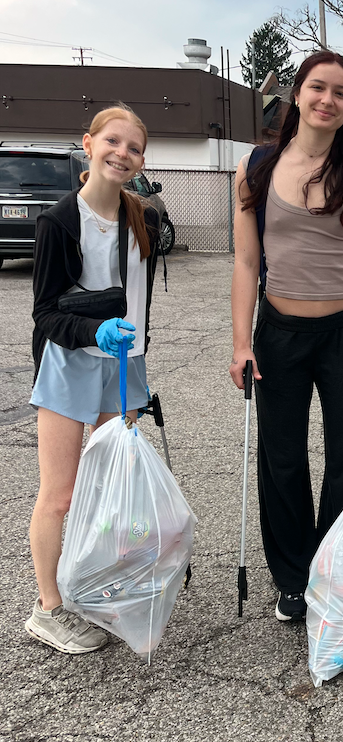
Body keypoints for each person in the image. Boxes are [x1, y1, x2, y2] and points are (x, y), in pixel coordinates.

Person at [230, 50, 343, 623]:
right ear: (297, 95)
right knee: (282, 458)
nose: (328, 100)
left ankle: (333, 569)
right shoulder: (255, 168)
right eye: (318, 88)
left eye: (341, 93)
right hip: (278, 335)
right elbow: (245, 263)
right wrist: (241, 341)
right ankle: (292, 578)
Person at [26, 105, 161, 653]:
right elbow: (45, 314)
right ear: (88, 143)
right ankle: (48, 608)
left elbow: (140, 299)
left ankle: (93, 586)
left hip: (123, 366)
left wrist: (133, 349)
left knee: (110, 491)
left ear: (142, 159)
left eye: (133, 147)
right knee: (60, 494)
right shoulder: (59, 222)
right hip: (70, 361)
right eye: (112, 141)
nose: (121, 154)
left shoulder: (144, 219)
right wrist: (94, 332)